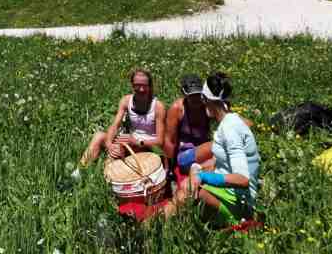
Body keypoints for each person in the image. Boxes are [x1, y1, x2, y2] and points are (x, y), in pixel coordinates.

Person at [167, 72, 261, 226]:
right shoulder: (228, 122)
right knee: (188, 185)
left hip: (239, 202)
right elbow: (222, 161)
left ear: (206, 100)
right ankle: (160, 224)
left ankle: (156, 226)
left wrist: (203, 177)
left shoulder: (230, 130)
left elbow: (243, 179)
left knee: (188, 191)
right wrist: (197, 169)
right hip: (229, 192)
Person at [81, 69, 166, 166]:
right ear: (132, 85)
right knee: (99, 136)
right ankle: (81, 169)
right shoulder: (126, 101)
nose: (141, 89)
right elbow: (115, 125)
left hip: (146, 145)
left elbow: (160, 141)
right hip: (130, 140)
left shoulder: (158, 107)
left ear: (150, 86)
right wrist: (109, 144)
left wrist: (137, 142)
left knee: (120, 145)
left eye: (144, 85)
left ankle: (108, 170)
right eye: (137, 85)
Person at [164, 75, 212, 176]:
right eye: (191, 96)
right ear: (184, 95)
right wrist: (169, 168)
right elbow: (170, 141)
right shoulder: (177, 109)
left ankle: (199, 172)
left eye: (198, 95)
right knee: (215, 147)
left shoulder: (208, 106)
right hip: (185, 152)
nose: (195, 99)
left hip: (204, 150)